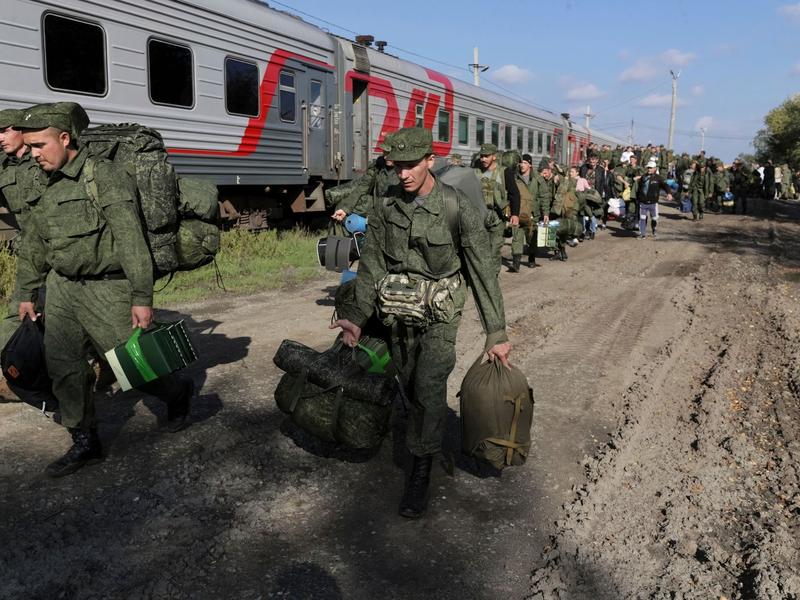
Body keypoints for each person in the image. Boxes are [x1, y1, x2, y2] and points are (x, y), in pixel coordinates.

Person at [330, 127, 510, 518]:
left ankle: (420, 473)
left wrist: (496, 333)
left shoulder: (456, 207)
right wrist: (357, 318)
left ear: (431, 160)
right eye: (397, 167)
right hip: (397, 310)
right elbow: (372, 264)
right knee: (409, 382)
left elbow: (482, 272)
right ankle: (422, 427)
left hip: (440, 314)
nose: (404, 174)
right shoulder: (385, 206)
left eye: (412, 165)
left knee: (429, 383)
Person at [13, 102, 196, 477]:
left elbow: (130, 239)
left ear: (65, 139)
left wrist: (142, 297)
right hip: (61, 289)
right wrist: (26, 292)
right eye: (29, 146)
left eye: (40, 145)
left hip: (107, 289)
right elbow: (33, 242)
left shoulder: (103, 174)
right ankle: (85, 442)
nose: (34, 154)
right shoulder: (40, 180)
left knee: (137, 366)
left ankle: (177, 391)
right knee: (65, 368)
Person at [473, 143, 519, 277]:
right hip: (479, 217)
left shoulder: (504, 172)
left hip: (497, 218)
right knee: (480, 250)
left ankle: (493, 278)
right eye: (482, 156)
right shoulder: (475, 172)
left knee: (494, 250)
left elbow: (514, 194)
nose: (483, 159)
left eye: (486, 156)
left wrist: (515, 214)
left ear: (494, 156)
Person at [332, 133, 398, 222]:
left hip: (397, 213)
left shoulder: (408, 170)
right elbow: (363, 186)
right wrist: (345, 209)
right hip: (378, 209)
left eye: (389, 153)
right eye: (384, 152)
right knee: (342, 208)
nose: (386, 156)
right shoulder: (379, 165)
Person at [635, 159, 673, 239]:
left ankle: (654, 229)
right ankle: (642, 234)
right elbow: (639, 188)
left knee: (655, 218)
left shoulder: (658, 178)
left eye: (651, 168)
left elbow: (665, 185)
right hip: (643, 202)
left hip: (653, 203)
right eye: (648, 168)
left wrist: (669, 193)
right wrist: (638, 199)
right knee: (642, 218)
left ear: (655, 168)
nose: (649, 169)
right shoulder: (643, 177)